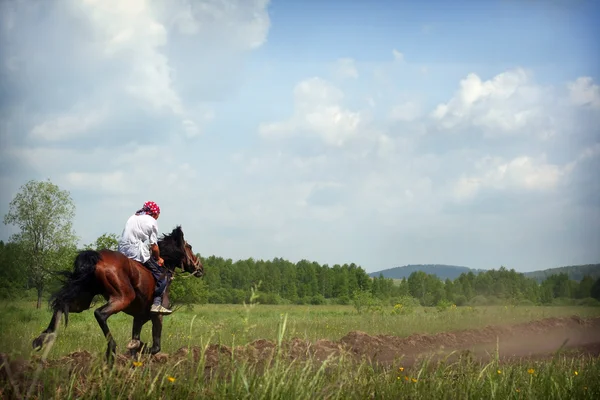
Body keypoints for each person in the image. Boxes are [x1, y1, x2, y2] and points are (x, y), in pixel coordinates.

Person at [118, 201, 172, 315]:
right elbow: (154, 247)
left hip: (122, 250)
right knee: (162, 276)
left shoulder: (133, 216)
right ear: (155, 213)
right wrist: (158, 259)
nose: (158, 217)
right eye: (158, 215)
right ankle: (156, 304)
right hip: (136, 251)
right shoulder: (152, 221)